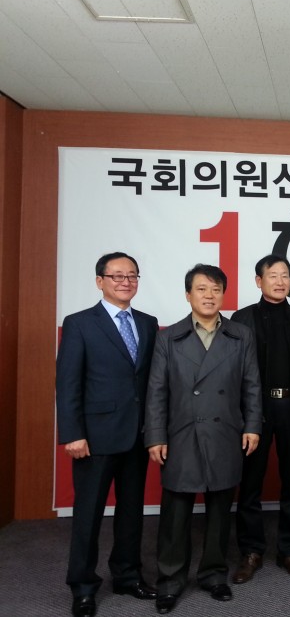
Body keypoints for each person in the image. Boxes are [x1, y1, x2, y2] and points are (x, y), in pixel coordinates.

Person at [144, 264, 261, 614]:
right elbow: (156, 391)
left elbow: (252, 385)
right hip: (181, 433)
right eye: (201, 289)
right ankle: (170, 581)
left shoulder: (241, 335)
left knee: (220, 510)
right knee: (175, 513)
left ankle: (213, 574)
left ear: (223, 294)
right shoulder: (168, 338)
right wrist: (155, 435)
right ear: (188, 295)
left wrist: (253, 425)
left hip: (225, 431)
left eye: (215, 289)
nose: (209, 296)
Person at [56, 252, 159, 617]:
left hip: (136, 434)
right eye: (117, 276)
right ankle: (83, 587)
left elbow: (149, 382)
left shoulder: (147, 323)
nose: (125, 282)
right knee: (88, 516)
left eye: (132, 275)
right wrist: (72, 433)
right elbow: (68, 383)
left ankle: (128, 576)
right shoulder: (80, 323)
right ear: (100, 281)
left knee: (131, 512)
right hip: (94, 438)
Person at [230, 255, 290, 583]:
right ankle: (251, 551)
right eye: (273, 275)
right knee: (250, 483)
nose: (280, 281)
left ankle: (288, 550)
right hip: (256, 409)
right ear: (258, 281)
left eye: (285, 275)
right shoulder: (241, 319)